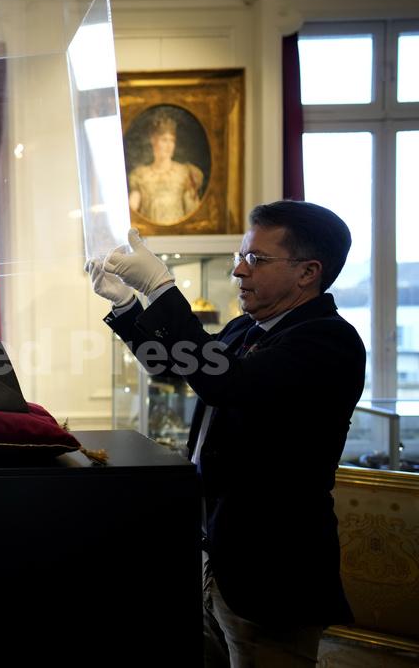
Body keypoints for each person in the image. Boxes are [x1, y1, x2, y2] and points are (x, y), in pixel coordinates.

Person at [86, 200, 365, 666]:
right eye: (240, 255)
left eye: (256, 258)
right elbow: (172, 367)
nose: (238, 269)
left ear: (308, 272)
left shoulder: (327, 340)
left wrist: (161, 288)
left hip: (272, 567)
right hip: (217, 552)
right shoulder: (245, 327)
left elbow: (227, 383)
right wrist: (127, 306)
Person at [127, 114, 205, 225]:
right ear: (154, 141)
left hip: (178, 233)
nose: (169, 146)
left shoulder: (184, 172)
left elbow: (192, 212)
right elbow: (132, 210)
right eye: (164, 140)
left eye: (172, 140)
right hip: (149, 232)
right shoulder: (141, 175)